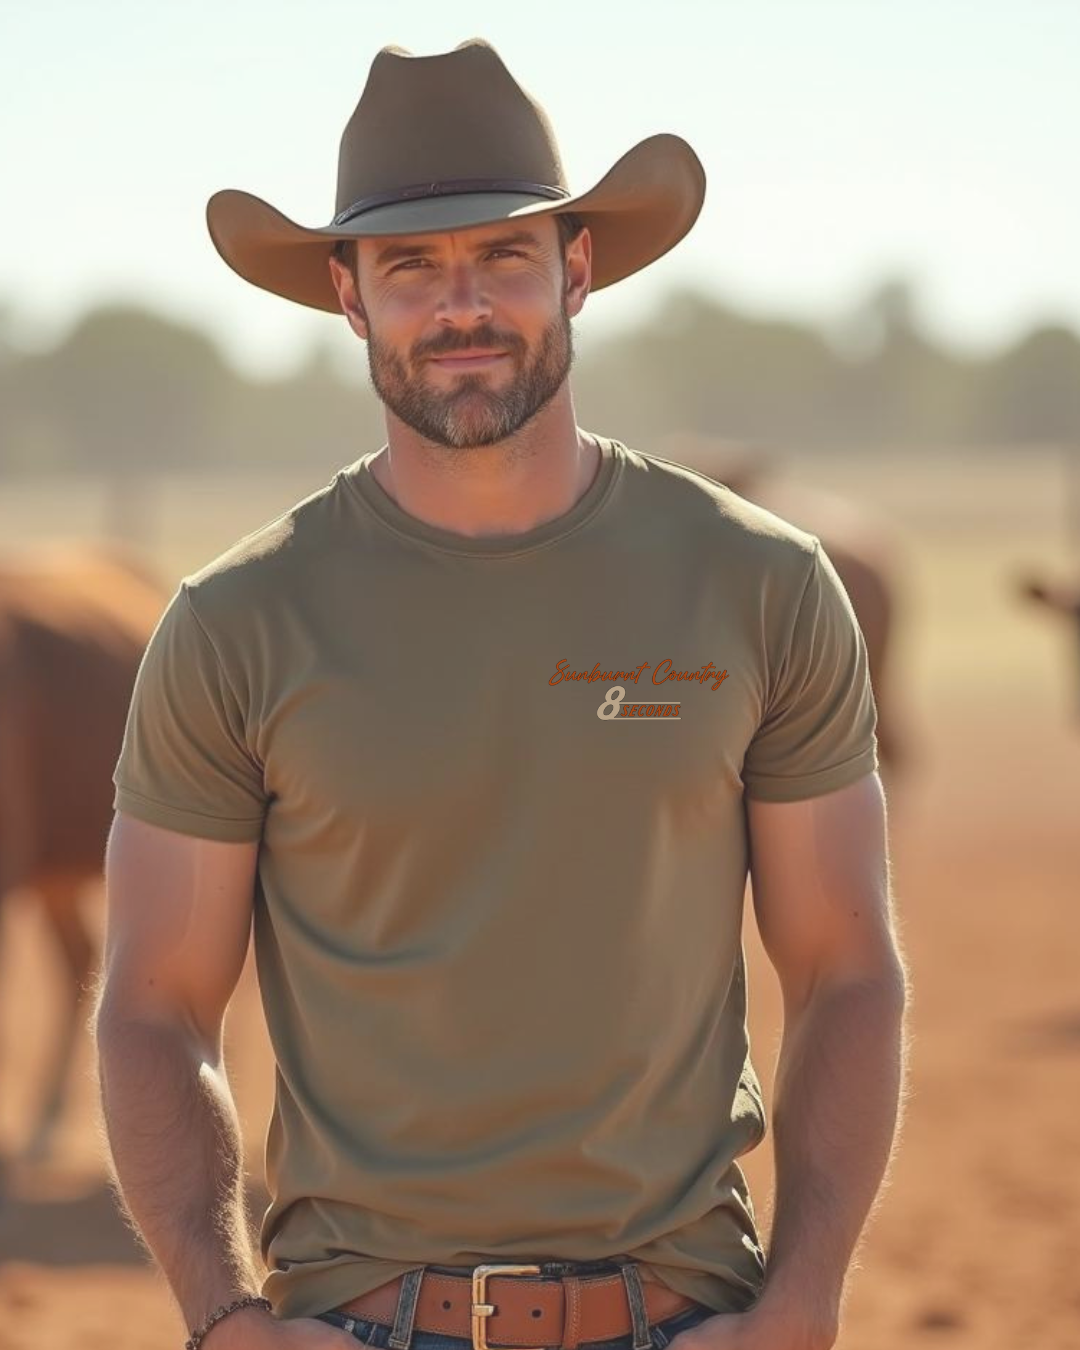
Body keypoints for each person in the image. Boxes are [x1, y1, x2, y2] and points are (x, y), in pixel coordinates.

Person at [95, 38, 907, 1350]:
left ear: (576, 270)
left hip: (683, 1311)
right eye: (411, 266)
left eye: (504, 255)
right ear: (349, 296)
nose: (460, 305)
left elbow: (847, 969)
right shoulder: (234, 624)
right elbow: (154, 1006)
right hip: (364, 1319)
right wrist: (224, 1315)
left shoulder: (760, 584)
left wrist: (804, 1301)